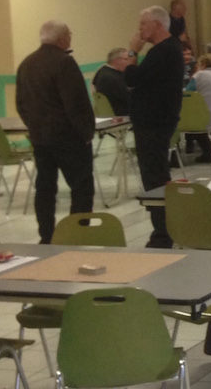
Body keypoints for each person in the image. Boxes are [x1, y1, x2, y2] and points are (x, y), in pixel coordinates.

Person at [15, 21, 96, 244]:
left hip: (40, 138)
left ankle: (46, 236)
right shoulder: (64, 62)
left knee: (45, 188)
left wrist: (34, 126)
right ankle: (76, 235)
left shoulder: (27, 63)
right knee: (81, 188)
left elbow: (21, 103)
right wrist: (86, 132)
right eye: (69, 34)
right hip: (68, 137)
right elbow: (76, 103)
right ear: (62, 39)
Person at [125, 6, 184, 248]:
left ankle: (163, 233)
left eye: (143, 24)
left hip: (154, 124)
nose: (139, 29)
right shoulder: (169, 49)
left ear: (157, 25)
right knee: (155, 175)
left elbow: (131, 78)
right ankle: (164, 230)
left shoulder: (162, 51)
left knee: (155, 178)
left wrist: (132, 52)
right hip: (156, 121)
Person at [92, 48, 134, 115]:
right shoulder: (113, 78)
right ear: (116, 61)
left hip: (108, 113)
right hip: (121, 113)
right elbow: (130, 98)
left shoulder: (101, 72)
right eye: (126, 59)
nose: (129, 62)